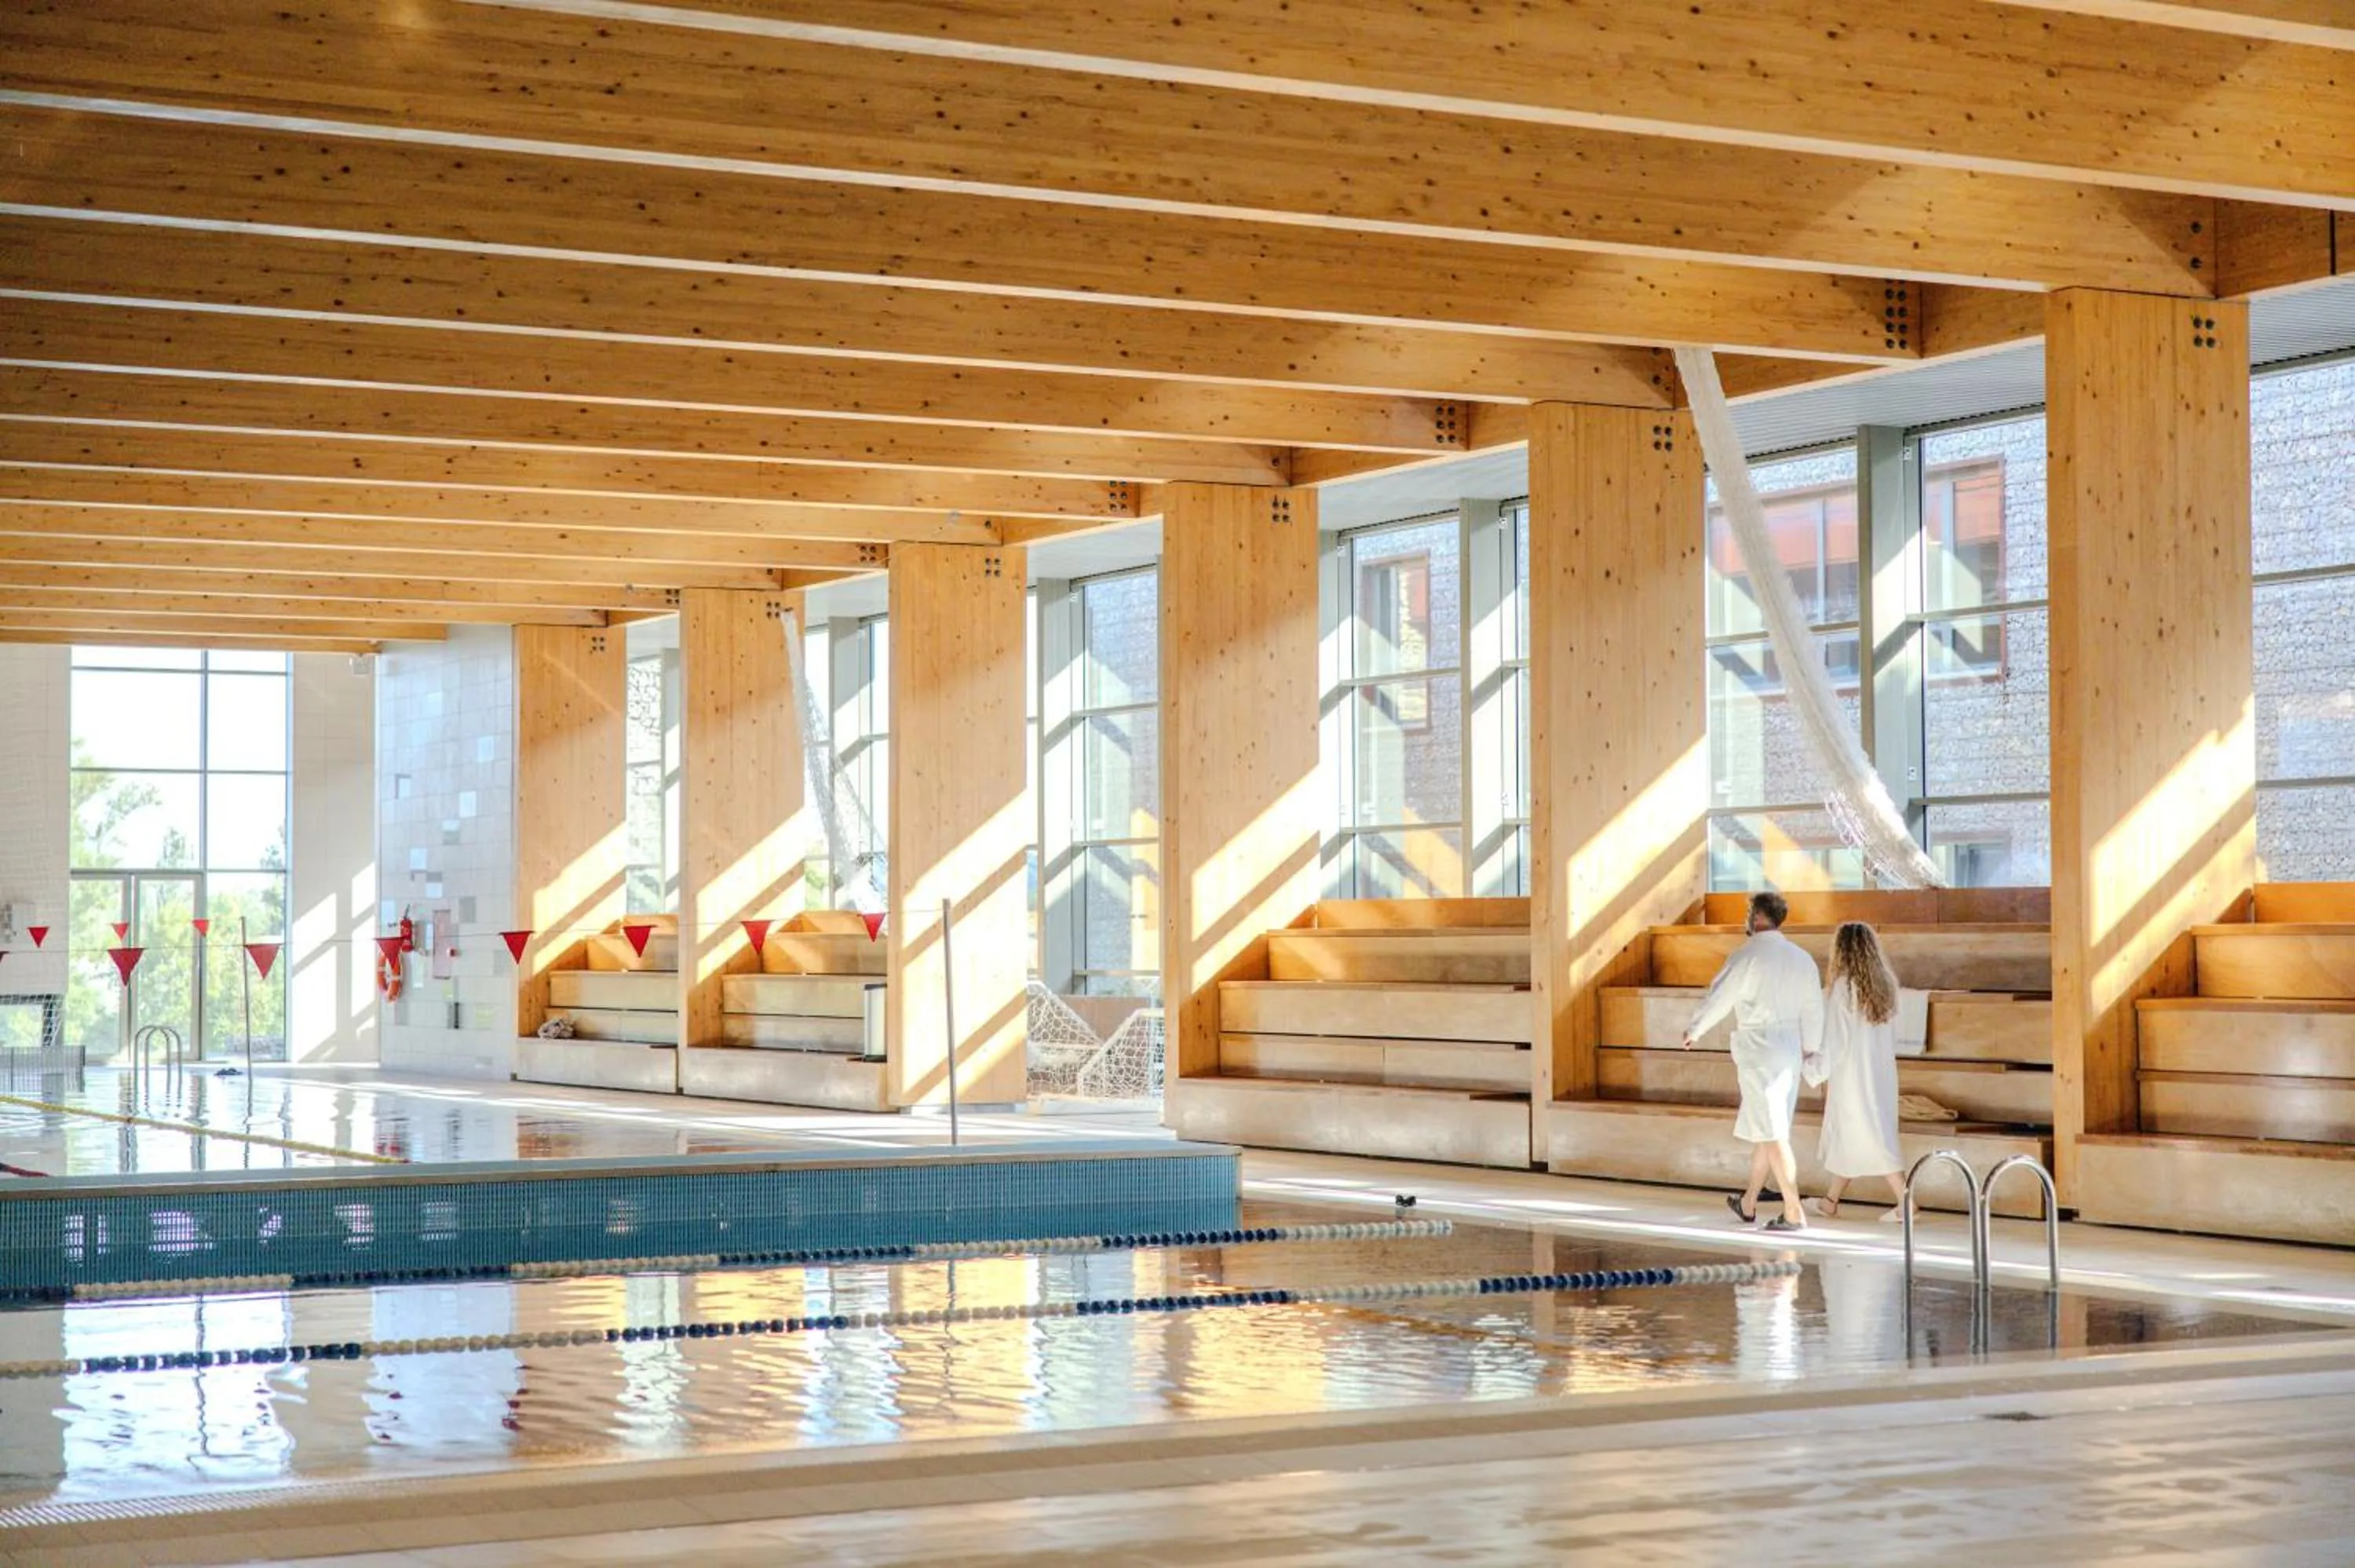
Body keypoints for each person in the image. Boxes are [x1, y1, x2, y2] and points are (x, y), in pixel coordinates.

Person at [1682, 891, 1823, 1232]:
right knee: (1767, 1126)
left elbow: (1720, 996)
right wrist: (1811, 1046)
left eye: (1749, 913)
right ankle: (1748, 1202)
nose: (1746, 918)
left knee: (1773, 1131)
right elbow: (1814, 1007)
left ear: (1758, 917)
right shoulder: (1802, 958)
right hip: (1790, 1048)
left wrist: (1695, 1029)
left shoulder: (1747, 955)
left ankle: (1793, 1211)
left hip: (1760, 1049)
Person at [1804, 921, 1910, 1222]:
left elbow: (1835, 1040)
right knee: (1851, 1136)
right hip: (1879, 1071)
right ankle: (1830, 1202)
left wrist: (1812, 1067)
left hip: (1852, 1075)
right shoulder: (1885, 986)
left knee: (1872, 1135)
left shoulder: (1844, 988)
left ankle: (1906, 1202)